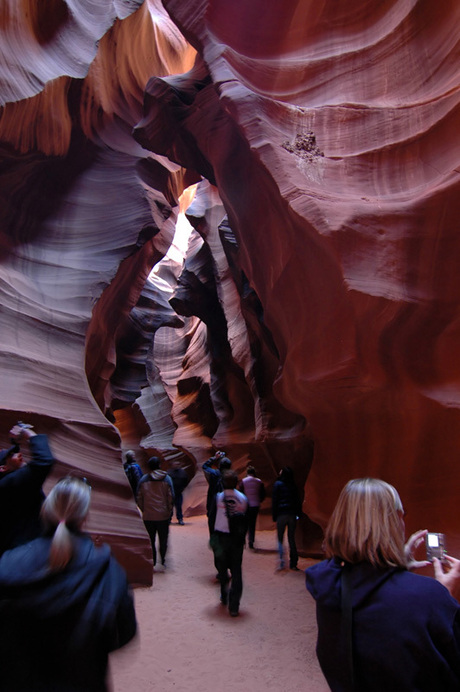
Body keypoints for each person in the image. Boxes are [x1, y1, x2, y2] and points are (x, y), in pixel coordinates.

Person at [305, 478, 460, 692]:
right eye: (402, 515)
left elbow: (376, 618)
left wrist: (396, 568)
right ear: (395, 520)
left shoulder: (326, 584)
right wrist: (445, 597)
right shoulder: (429, 597)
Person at [0, 476, 137, 691]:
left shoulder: (7, 563)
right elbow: (123, 635)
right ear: (84, 517)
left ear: (46, 510)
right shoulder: (108, 572)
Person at [0, 423, 55, 557]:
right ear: (3, 468)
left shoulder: (9, 484)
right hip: (30, 554)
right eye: (12, 455)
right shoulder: (12, 482)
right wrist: (28, 433)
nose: (19, 455)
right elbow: (45, 461)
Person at [212, 470, 248, 617]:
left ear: (223, 482)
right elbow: (245, 519)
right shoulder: (243, 498)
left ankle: (223, 594)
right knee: (236, 571)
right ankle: (234, 606)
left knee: (221, 568)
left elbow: (212, 516)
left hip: (221, 537)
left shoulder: (218, 498)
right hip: (237, 539)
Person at [137, 456, 174, 570]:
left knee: (150, 540)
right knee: (163, 540)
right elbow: (171, 497)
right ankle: (162, 560)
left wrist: (145, 510)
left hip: (148, 516)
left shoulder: (143, 480)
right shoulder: (167, 479)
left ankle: (152, 561)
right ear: (159, 465)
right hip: (163, 516)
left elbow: (139, 498)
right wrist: (169, 511)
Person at [272, 466, 302, 570]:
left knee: (280, 538)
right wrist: (299, 514)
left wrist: (274, 515)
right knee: (291, 538)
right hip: (292, 514)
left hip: (281, 513)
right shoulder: (293, 485)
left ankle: (281, 561)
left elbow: (275, 500)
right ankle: (293, 563)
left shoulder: (277, 484)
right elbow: (297, 500)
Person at [202, 450, 231, 535]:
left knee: (213, 523)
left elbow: (205, 466)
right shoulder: (231, 477)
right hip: (226, 505)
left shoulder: (214, 474)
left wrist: (214, 458)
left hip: (213, 503)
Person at [240, 464, 266, 549]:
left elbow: (240, 493)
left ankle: (242, 540)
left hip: (246, 505)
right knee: (252, 523)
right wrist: (259, 500)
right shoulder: (259, 481)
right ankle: (251, 541)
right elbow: (263, 493)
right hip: (255, 505)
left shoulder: (243, 481)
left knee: (244, 523)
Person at [167, 459, 190, 525]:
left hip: (179, 492)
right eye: (175, 464)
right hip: (170, 493)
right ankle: (169, 519)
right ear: (172, 465)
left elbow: (186, 480)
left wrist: (182, 488)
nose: (177, 465)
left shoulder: (183, 472)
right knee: (170, 507)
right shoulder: (169, 473)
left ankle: (180, 519)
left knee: (179, 506)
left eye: (178, 464)